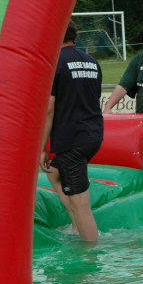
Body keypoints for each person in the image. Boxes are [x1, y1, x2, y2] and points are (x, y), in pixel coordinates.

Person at [40, 20, 104, 242]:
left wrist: (42, 148)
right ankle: (77, 227)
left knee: (81, 203)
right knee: (54, 173)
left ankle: (91, 253)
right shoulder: (92, 62)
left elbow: (49, 108)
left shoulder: (55, 63)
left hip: (72, 139)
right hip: (94, 134)